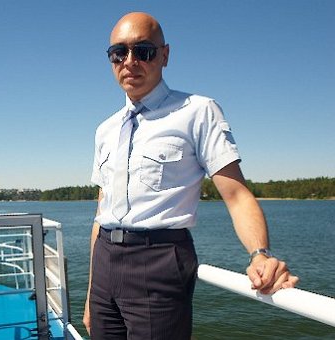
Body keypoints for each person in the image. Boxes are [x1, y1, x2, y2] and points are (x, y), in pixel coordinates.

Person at [83, 12, 298, 340]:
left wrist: (260, 254)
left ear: (165, 55)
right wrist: (91, 293)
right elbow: (102, 213)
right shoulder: (105, 129)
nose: (129, 61)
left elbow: (237, 195)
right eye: (118, 53)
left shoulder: (197, 112)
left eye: (143, 51)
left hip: (158, 261)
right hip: (104, 265)